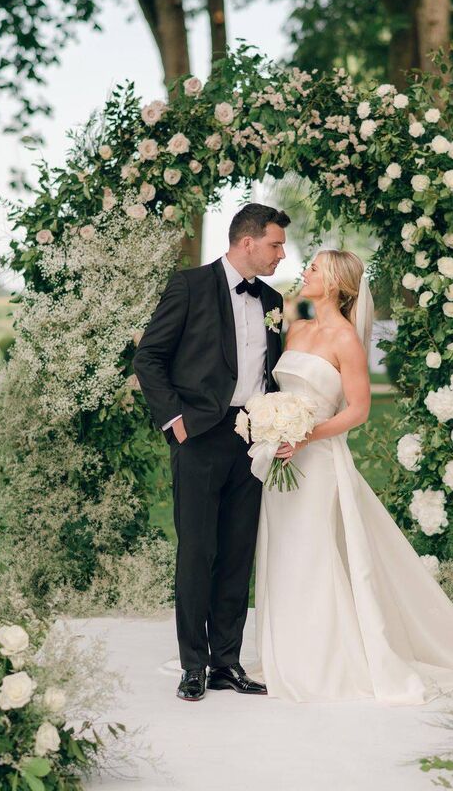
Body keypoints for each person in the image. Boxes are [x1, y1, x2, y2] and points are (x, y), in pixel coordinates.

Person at [254, 249, 453, 704]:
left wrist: (306, 435)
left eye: (315, 268)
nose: (306, 272)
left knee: (313, 553)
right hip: (282, 460)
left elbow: (358, 411)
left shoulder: (346, 340)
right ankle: (284, 649)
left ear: (337, 284)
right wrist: (272, 423)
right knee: (282, 550)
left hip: (317, 461)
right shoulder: (296, 326)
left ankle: (322, 660)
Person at [134, 203, 289, 701]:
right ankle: (193, 666)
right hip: (199, 435)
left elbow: (272, 370)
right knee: (198, 551)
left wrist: (278, 422)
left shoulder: (272, 300)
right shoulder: (190, 285)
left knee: (238, 552)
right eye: (275, 244)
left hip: (254, 438)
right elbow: (149, 357)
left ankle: (226, 662)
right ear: (247, 242)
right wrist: (175, 422)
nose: (281, 255)